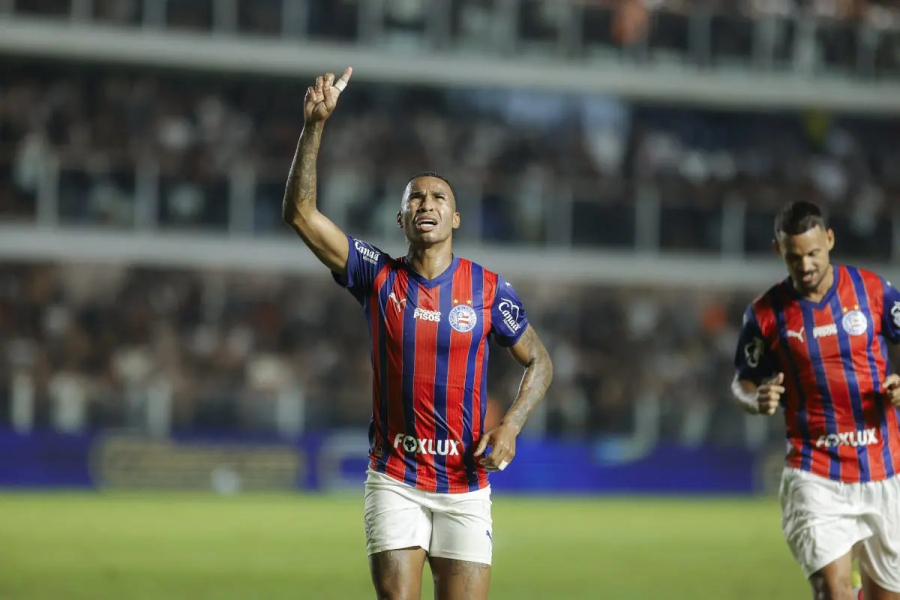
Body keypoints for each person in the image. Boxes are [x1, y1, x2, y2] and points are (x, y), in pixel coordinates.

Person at [283, 67, 553, 600]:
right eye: (415, 198)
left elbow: (540, 362)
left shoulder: (488, 289)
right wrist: (314, 127)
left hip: (465, 484)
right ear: (401, 218)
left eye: (438, 198)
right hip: (395, 478)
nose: (426, 203)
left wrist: (511, 426)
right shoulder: (376, 275)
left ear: (456, 219)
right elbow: (301, 213)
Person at [732, 201, 900, 600]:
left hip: (885, 469)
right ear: (778, 250)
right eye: (794, 257)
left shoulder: (874, 291)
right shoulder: (764, 314)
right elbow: (742, 382)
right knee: (831, 591)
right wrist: (755, 400)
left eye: (813, 253)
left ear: (830, 240)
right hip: (815, 472)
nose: (805, 265)